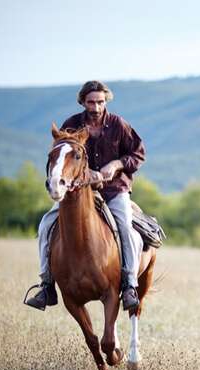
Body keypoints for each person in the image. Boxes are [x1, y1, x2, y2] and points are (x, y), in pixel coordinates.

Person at [25, 80, 145, 311]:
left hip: (114, 189)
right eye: (91, 102)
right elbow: (61, 156)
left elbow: (138, 154)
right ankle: (47, 284)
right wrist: (80, 173)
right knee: (46, 225)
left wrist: (116, 164)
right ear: (83, 102)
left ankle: (129, 284)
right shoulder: (71, 125)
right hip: (79, 191)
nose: (96, 107)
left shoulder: (119, 124)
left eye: (100, 102)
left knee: (127, 228)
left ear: (106, 101)